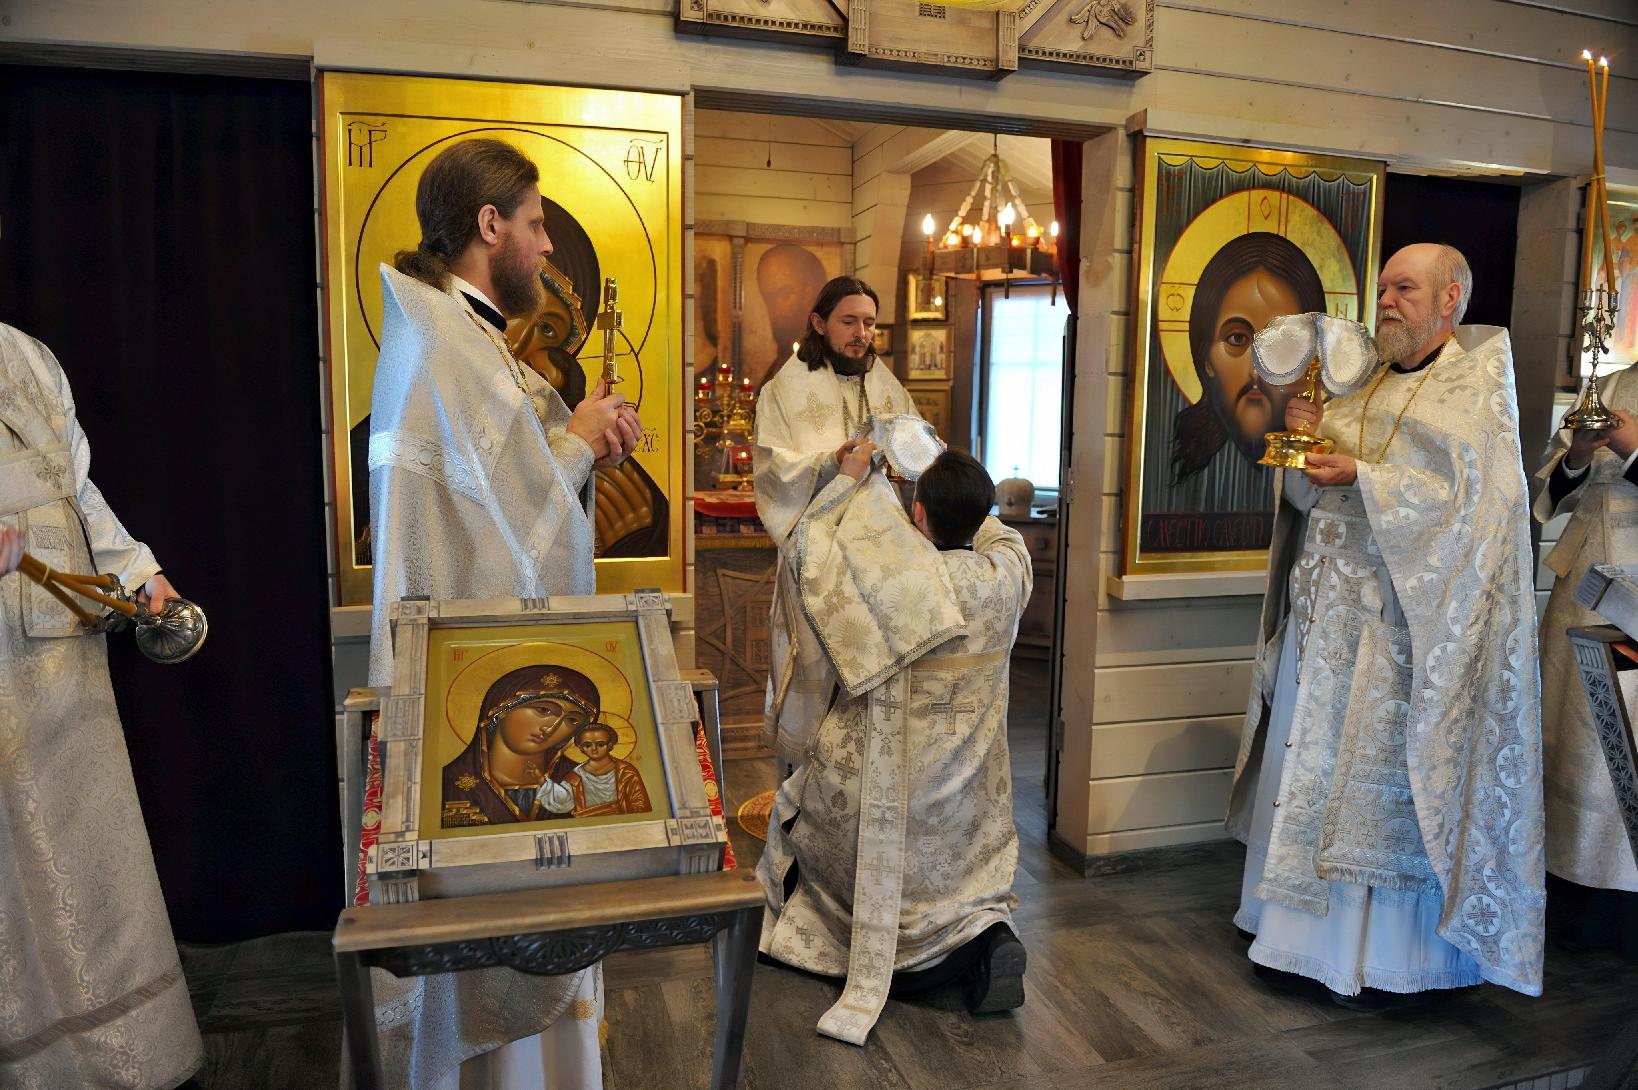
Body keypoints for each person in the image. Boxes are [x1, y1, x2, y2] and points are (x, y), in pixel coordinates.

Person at [366, 137, 641, 1090]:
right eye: (535, 224)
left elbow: (509, 498)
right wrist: (575, 444)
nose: (547, 247)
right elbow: (503, 537)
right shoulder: (446, 343)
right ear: (490, 225)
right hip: (475, 672)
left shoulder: (459, 336)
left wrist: (582, 442)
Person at [1226, 243, 1546, 1007]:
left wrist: (1365, 477)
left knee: (1371, 792)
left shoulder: (1474, 390)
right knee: (1307, 772)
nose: (1387, 303)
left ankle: (1377, 960)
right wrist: (1308, 452)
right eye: (1382, 290)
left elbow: (1480, 510)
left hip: (1402, 637)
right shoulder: (1358, 384)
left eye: (1405, 289)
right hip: (1323, 624)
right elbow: (1309, 503)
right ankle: (1286, 936)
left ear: (1450, 299)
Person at [757, 448, 1031, 1044]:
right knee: (971, 872)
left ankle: (846, 942)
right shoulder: (1006, 575)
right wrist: (958, 486)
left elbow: (807, 551)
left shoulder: (887, 582)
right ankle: (984, 941)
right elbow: (1000, 533)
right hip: (965, 810)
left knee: (799, 809)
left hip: (878, 801)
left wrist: (849, 480)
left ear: (918, 512)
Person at [0, 326, 203, 1088]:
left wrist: (139, 573)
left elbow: (76, 489)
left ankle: (137, 1063)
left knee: (101, 873)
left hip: (66, 654)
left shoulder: (26, 355)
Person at [751, 275, 917, 779]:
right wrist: (830, 461)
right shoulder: (784, 390)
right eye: (849, 321)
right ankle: (803, 790)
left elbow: (914, 448)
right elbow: (771, 467)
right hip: (817, 554)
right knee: (817, 668)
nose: (861, 333)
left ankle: (859, 787)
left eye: (869, 323)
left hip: (880, 558)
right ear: (819, 324)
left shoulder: (886, 385)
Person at [1532, 362, 1638, 915]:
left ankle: (1619, 903)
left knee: (1620, 744)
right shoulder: (1613, 384)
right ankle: (1566, 885)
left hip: (1633, 600)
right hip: (1581, 586)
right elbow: (1556, 485)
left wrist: (1633, 449)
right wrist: (1576, 456)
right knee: (1569, 731)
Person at [441, 666, 599, 828]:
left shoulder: (581, 783)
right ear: (502, 708)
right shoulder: (449, 785)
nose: (551, 728)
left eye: (572, 720)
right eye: (543, 710)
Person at [551, 722, 653, 818]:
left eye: (600, 744)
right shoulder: (575, 775)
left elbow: (640, 804)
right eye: (587, 745)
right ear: (581, 748)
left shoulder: (626, 772)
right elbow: (561, 803)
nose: (594, 749)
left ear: (610, 745)